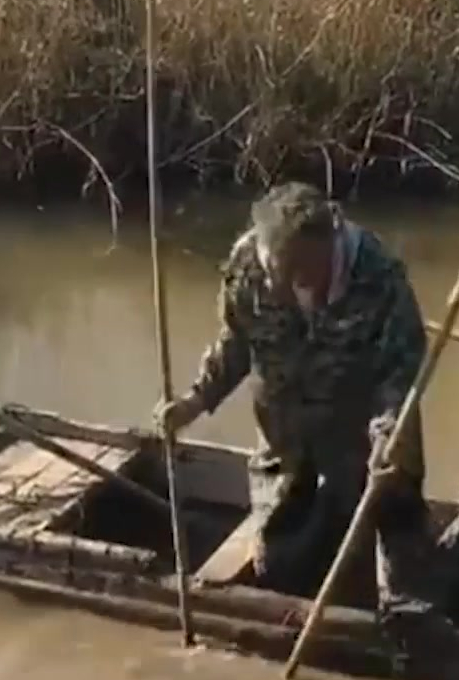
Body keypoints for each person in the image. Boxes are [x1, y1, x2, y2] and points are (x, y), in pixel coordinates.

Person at [154, 182, 430, 603]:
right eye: (273, 272)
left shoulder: (379, 278)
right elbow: (237, 342)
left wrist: (387, 435)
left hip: (359, 431)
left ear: (328, 245)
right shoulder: (249, 266)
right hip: (287, 434)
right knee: (279, 564)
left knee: (397, 538)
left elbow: (400, 373)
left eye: (298, 274)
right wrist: (195, 400)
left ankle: (405, 611)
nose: (279, 285)